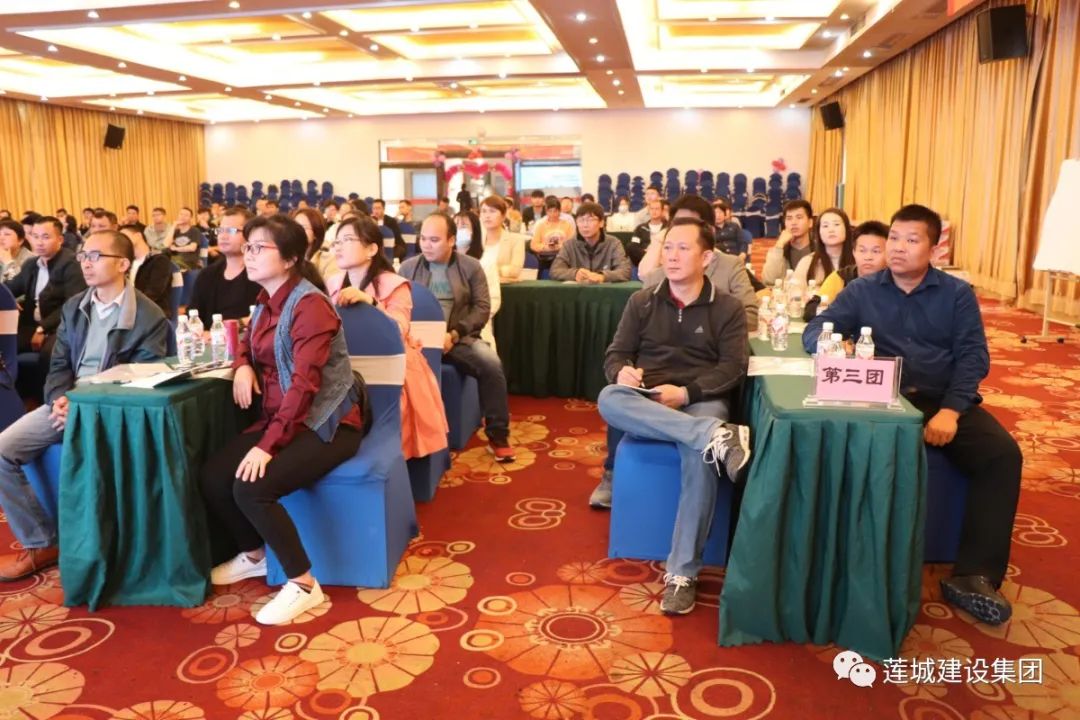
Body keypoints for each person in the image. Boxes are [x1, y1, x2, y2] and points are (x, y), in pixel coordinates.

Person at [803, 204, 1022, 625]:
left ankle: (974, 576)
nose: (898, 248)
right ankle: (850, 562)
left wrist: (952, 410)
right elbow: (819, 327)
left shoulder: (956, 294)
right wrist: (828, 344)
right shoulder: (863, 290)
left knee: (1001, 455)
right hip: (882, 398)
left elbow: (973, 357)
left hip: (941, 398)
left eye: (911, 240)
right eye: (894, 238)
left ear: (934, 248)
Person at [200, 215, 366, 625]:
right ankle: (255, 554)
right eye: (248, 246)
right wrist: (242, 364)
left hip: (327, 423)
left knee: (251, 487)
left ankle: (304, 584)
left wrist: (266, 445)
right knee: (213, 476)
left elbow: (304, 388)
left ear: (290, 258)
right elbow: (245, 341)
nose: (248, 254)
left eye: (259, 248)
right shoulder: (264, 301)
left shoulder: (311, 306)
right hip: (283, 417)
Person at [597, 218, 750, 614]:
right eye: (667, 247)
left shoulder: (727, 307)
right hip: (648, 399)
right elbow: (616, 354)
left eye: (683, 248)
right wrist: (622, 372)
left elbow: (733, 368)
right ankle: (715, 435)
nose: (672, 256)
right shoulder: (642, 301)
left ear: (707, 257)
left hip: (701, 398)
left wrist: (685, 393)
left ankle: (682, 573)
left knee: (701, 456)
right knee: (609, 397)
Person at [0, 230, 169, 580]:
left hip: (109, 410)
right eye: (83, 256)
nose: (86, 263)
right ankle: (41, 541)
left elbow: (139, 379)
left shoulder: (148, 316)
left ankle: (108, 550)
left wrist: (84, 405)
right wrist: (59, 399)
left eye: (95, 256)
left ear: (123, 264)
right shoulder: (75, 306)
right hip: (68, 403)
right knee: (3, 451)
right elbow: (59, 364)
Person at [326, 216, 449, 459]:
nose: (338, 247)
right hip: (346, 364)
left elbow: (398, 329)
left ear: (371, 249)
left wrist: (371, 302)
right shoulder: (333, 283)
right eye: (336, 242)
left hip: (392, 365)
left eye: (347, 240)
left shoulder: (395, 284)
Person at [399, 212, 515, 462]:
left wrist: (454, 334)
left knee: (491, 365)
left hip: (459, 339)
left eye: (434, 240)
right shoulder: (408, 268)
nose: (426, 245)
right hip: (417, 342)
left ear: (451, 240)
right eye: (423, 239)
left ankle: (498, 435)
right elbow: (400, 309)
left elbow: (482, 308)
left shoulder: (471, 266)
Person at [5, 217, 86, 367]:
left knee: (50, 355)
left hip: (61, 327)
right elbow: (10, 288)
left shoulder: (72, 264)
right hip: (32, 325)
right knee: (4, 346)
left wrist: (42, 328)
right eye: (35, 237)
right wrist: (7, 300)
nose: (39, 242)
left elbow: (72, 304)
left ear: (60, 239)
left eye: (46, 237)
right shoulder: (31, 264)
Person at [802, 220, 888, 320]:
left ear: (888, 253)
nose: (868, 257)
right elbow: (811, 310)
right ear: (854, 252)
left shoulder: (896, 281)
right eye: (862, 250)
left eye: (876, 251)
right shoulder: (841, 277)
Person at [189, 206, 262, 321]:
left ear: (251, 235)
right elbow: (193, 316)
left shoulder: (262, 275)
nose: (223, 236)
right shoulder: (207, 275)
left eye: (231, 230)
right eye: (220, 230)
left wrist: (238, 325)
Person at [550, 202, 631, 283]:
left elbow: (625, 271)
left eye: (590, 220)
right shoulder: (569, 245)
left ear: (601, 223)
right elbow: (555, 270)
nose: (585, 225)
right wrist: (574, 274)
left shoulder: (613, 243)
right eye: (581, 220)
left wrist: (602, 276)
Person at [793, 207, 854, 288]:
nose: (831, 230)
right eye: (825, 226)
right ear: (818, 233)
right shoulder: (807, 262)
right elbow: (795, 292)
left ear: (846, 229)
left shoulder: (858, 260)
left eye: (836, 224)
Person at [121, 225, 173, 317]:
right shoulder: (126, 263)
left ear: (138, 235)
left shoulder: (159, 260)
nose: (122, 241)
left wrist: (131, 307)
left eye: (125, 236)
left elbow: (154, 292)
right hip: (129, 311)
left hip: (152, 312)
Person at [763, 200, 814, 285]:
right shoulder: (779, 251)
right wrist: (779, 245)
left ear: (810, 222)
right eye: (789, 218)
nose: (794, 223)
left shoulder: (819, 250)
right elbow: (769, 280)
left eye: (799, 217)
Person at [478, 196, 525, 283]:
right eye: (483, 211)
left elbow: (515, 271)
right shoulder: (476, 239)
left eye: (492, 211)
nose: (487, 216)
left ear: (503, 216)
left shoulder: (516, 240)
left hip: (504, 287)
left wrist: (485, 270)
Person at [529, 197, 575, 273]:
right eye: (550, 211)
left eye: (555, 211)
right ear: (546, 211)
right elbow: (533, 245)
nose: (553, 214)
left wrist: (561, 247)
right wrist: (546, 247)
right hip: (545, 257)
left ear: (560, 211)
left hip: (563, 257)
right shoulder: (541, 225)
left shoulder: (567, 225)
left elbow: (572, 243)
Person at [292, 207, 337, 280]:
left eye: (303, 228)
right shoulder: (284, 257)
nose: (297, 231)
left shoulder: (327, 260)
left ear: (316, 233)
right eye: (294, 227)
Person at [629, 199, 666, 267]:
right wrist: (647, 255)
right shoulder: (640, 228)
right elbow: (634, 245)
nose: (654, 211)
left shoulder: (667, 228)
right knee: (630, 246)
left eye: (657, 209)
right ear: (649, 211)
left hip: (662, 261)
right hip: (643, 260)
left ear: (662, 211)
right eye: (652, 209)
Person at [166, 207, 202, 271]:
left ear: (191, 218)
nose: (183, 216)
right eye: (181, 214)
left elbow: (192, 248)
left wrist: (175, 248)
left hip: (188, 262)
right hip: (174, 261)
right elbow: (166, 245)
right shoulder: (175, 231)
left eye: (186, 215)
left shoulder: (194, 230)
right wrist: (173, 226)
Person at [0, 220, 34, 284]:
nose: (1, 238)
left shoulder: (31, 260)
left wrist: (8, 262)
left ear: (20, 241)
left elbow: (14, 284)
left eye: (7, 234)